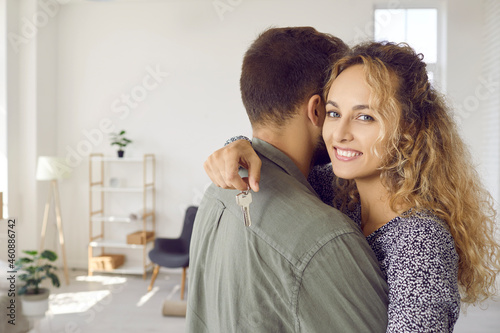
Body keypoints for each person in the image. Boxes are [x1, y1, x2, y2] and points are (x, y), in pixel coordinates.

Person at [204, 41, 500, 332]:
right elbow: (275, 167)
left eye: (364, 117)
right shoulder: (333, 190)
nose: (339, 134)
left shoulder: (420, 241)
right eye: (334, 113)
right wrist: (237, 147)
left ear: (408, 129)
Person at [186, 27, 389, 333]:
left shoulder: (217, 189)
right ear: (317, 109)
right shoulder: (326, 238)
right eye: (335, 111)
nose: (344, 132)